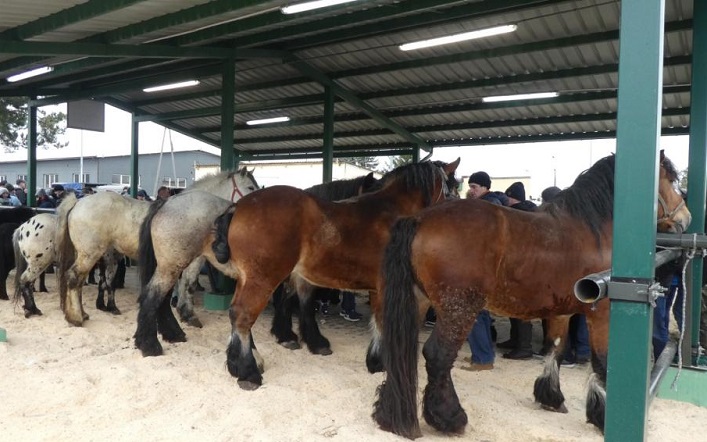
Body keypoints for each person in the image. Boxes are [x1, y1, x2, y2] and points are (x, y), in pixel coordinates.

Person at [461, 171, 502, 371]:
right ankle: (484, 354)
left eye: (475, 187)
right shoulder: (489, 204)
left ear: (486, 187)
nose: (471, 190)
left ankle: (483, 359)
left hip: (481, 268)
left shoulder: (488, 207)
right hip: (484, 267)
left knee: (473, 311)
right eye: (470, 186)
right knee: (481, 313)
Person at [498, 182, 537, 360]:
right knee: (516, 306)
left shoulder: (517, 214)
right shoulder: (531, 212)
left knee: (521, 307)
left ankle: (524, 347)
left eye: (508, 197)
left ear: (512, 197)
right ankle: (515, 340)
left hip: (522, 266)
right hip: (526, 264)